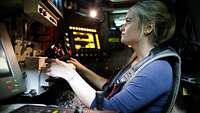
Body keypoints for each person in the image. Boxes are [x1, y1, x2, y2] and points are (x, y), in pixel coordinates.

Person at [46, 0, 180, 113]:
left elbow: (109, 109)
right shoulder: (138, 60)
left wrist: (69, 75)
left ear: (148, 27)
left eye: (128, 21)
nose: (122, 27)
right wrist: (80, 69)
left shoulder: (158, 69)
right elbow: (109, 87)